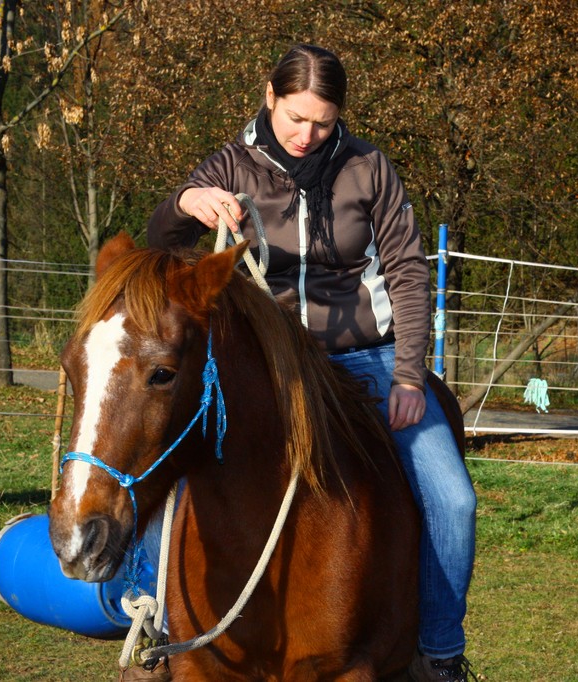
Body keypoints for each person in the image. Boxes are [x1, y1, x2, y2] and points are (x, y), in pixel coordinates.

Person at [146, 44, 477, 681]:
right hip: (268, 363)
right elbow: (163, 246)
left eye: (322, 122)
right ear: (269, 96)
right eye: (296, 117)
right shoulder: (231, 164)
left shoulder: (368, 167)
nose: (307, 134)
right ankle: (157, 630)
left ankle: (439, 653)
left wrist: (410, 374)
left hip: (368, 356)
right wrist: (187, 202)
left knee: (453, 498)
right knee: (170, 458)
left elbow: (408, 269)